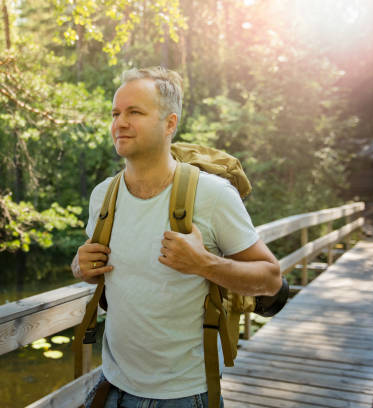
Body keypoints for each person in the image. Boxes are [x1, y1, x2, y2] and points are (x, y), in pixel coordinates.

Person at [71, 66, 281, 408]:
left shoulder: (212, 195)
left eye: (134, 112)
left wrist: (203, 263)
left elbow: (271, 279)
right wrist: (79, 267)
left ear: (170, 123)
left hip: (184, 395)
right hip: (112, 384)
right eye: (115, 113)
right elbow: (91, 269)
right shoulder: (102, 197)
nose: (119, 123)